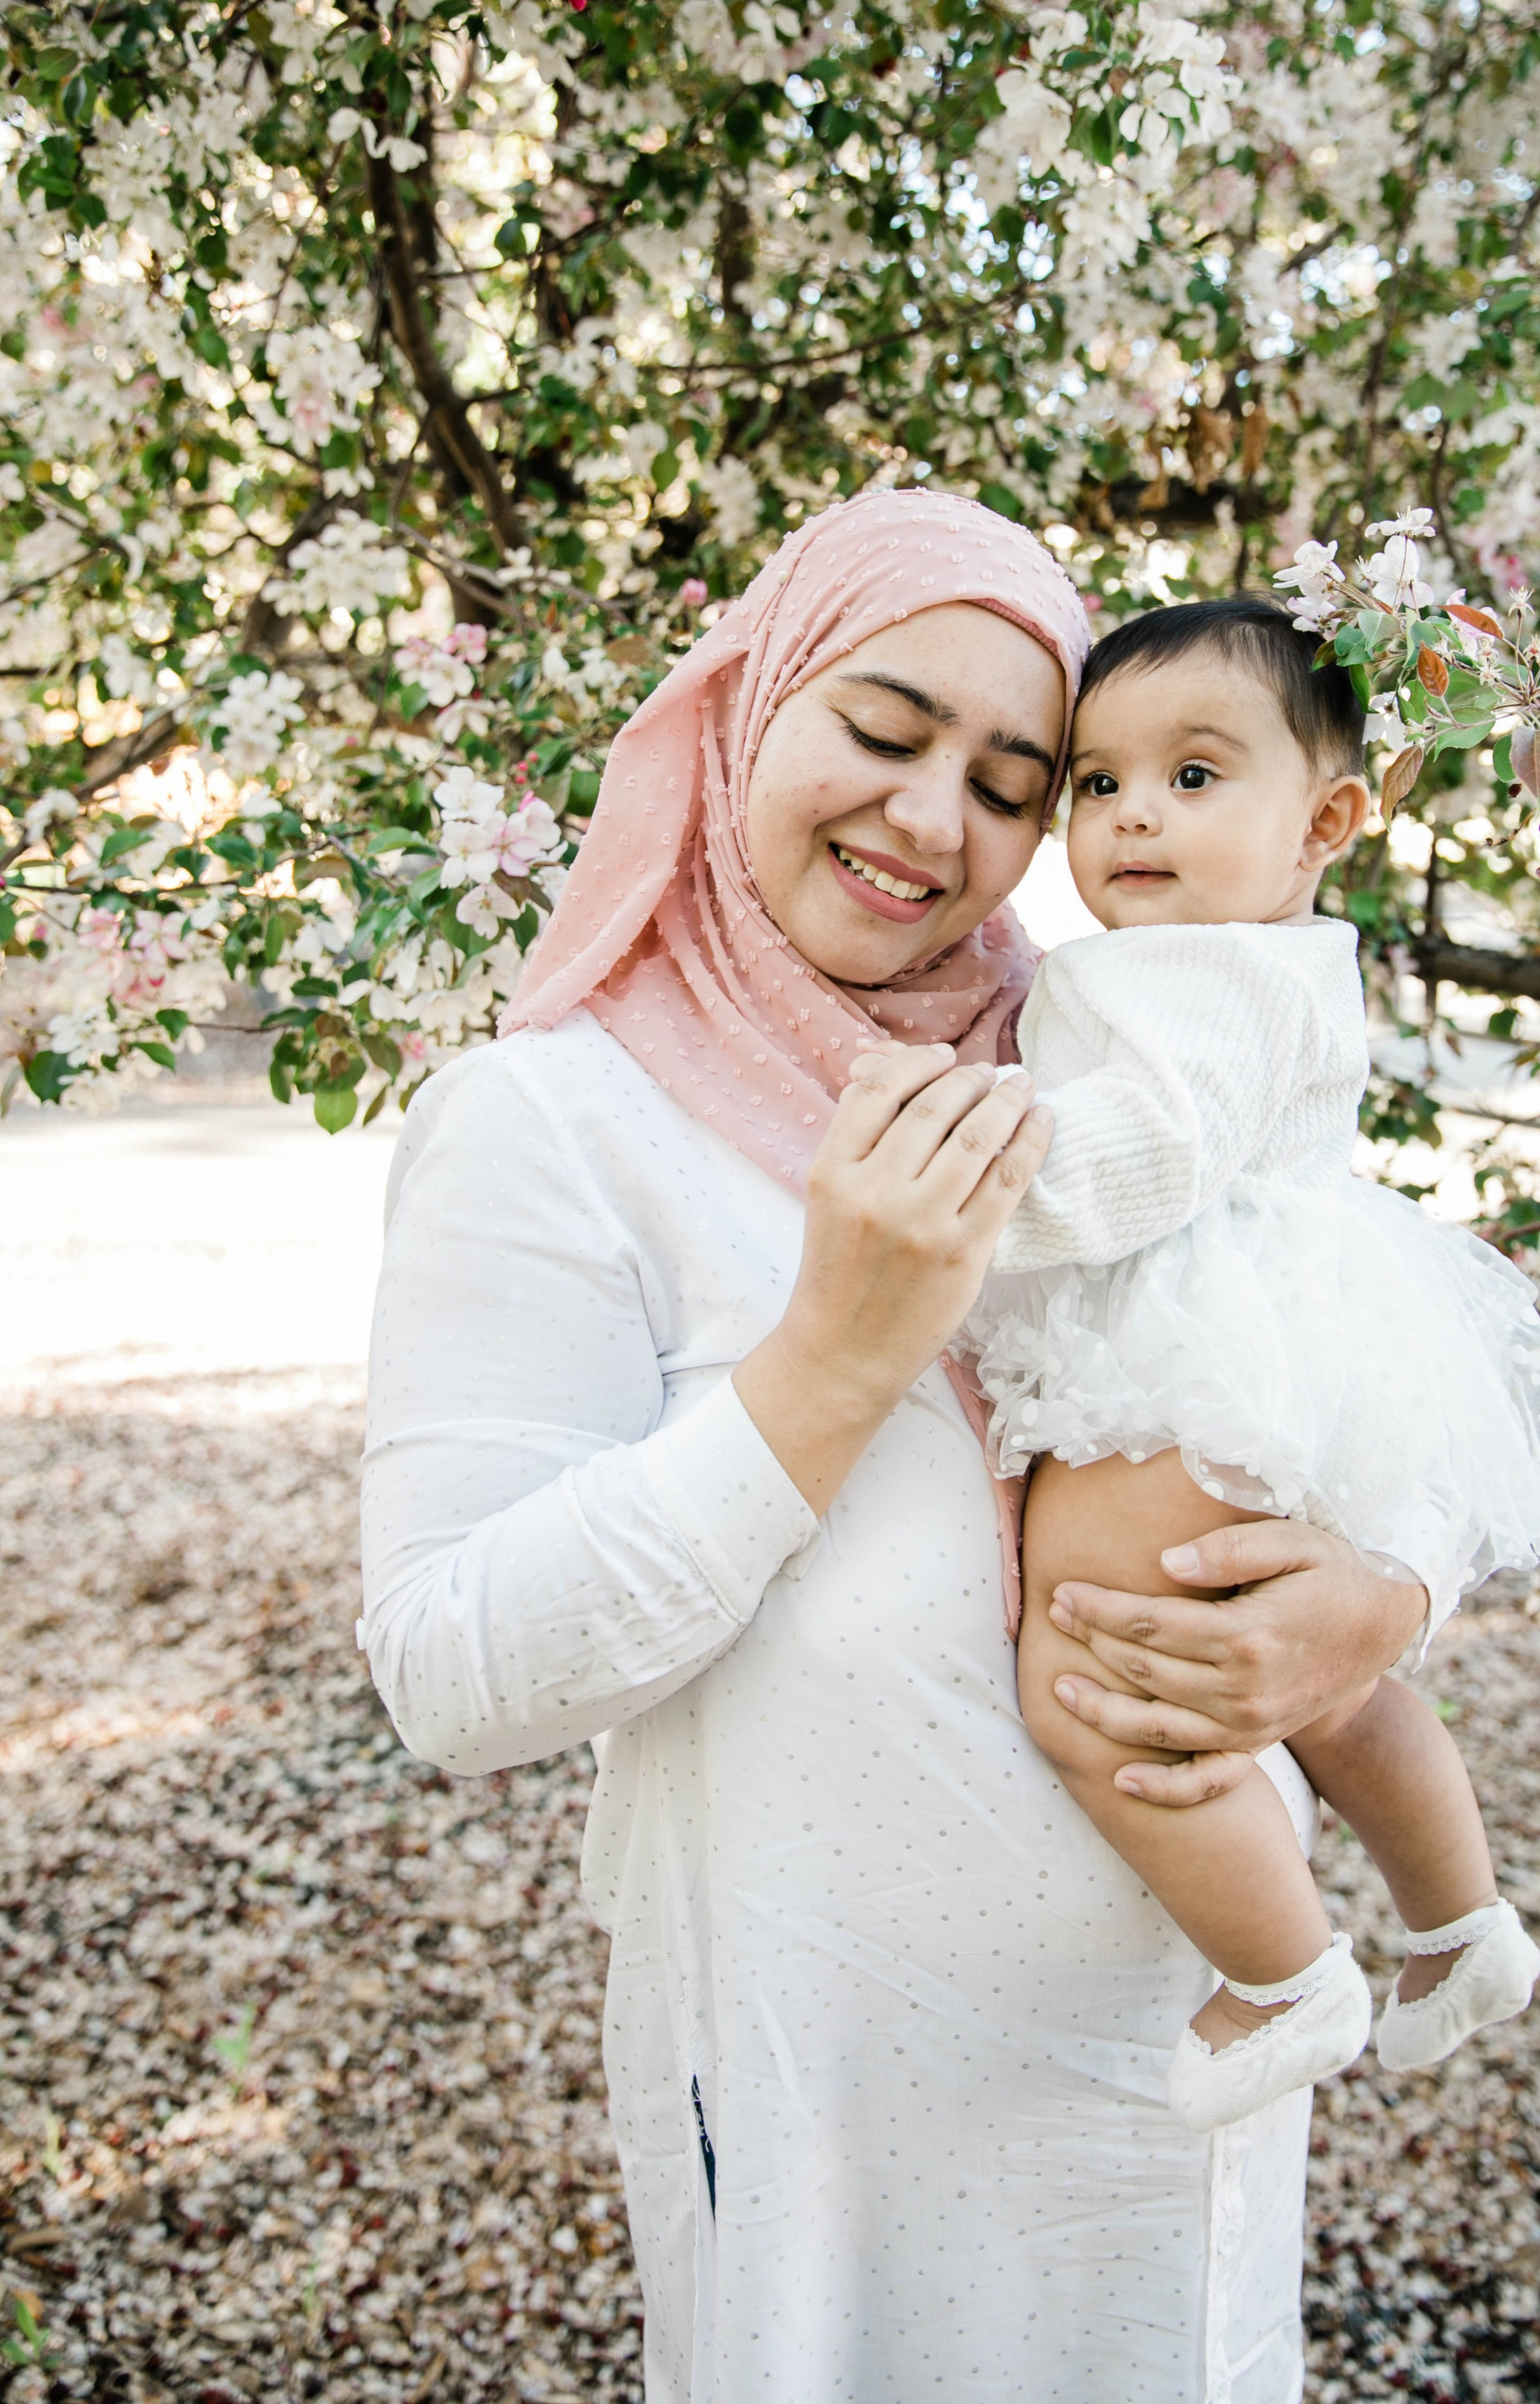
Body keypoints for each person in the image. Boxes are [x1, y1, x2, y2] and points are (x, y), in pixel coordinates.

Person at [360, 490, 1443, 2404]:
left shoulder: (1104, 1060)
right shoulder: (553, 1125)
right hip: (848, 2126)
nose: (935, 824)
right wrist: (830, 1363)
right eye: (879, 730)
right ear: (749, 702)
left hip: (1189, 2083)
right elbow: (454, 1676)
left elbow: (1338, 1325)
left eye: (1014, 784)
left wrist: (1380, 1601)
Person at [960, 597, 1540, 2138]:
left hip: (1184, 1359)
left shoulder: (1202, 973)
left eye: (1192, 775)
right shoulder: (1271, 958)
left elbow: (1148, 1148)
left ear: (1326, 821)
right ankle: (1460, 1923)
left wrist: (972, 1193)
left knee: (1092, 1684)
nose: (1131, 815)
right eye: (1096, 782)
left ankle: (1281, 1974)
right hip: (1287, 1352)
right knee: (1335, 1694)